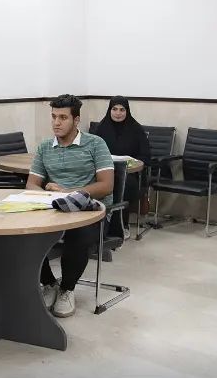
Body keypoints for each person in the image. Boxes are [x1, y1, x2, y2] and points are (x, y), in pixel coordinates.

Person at [27, 94, 114, 318]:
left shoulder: (96, 144)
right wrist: (49, 195)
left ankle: (67, 289)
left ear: (76, 120)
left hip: (90, 211)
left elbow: (106, 185)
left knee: (78, 234)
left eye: (63, 117)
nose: (56, 123)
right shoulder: (45, 147)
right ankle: (49, 283)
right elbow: (31, 184)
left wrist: (69, 193)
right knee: (24, 233)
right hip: (56, 209)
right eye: (54, 117)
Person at [91, 96, 151, 239]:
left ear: (127, 111)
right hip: (104, 172)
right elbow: (92, 153)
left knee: (123, 185)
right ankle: (97, 225)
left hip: (131, 174)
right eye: (114, 109)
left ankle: (121, 225)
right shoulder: (101, 128)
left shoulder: (136, 129)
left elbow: (146, 156)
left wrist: (133, 161)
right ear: (109, 110)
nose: (118, 113)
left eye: (122, 110)